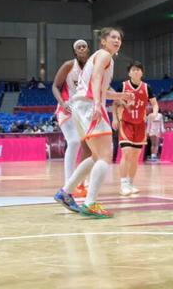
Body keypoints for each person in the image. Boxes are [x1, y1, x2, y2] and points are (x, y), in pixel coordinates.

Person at [54, 28, 134, 219]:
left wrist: (120, 95)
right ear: (103, 41)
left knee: (96, 155)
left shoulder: (98, 57)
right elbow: (97, 77)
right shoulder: (105, 55)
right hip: (89, 105)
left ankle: (66, 192)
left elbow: (100, 87)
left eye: (119, 38)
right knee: (105, 156)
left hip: (81, 106)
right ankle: (90, 203)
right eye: (113, 37)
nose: (117, 40)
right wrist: (98, 103)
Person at [112, 61, 158, 196]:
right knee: (126, 153)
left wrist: (154, 113)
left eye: (138, 69)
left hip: (140, 125)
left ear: (142, 72)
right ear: (129, 73)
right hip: (126, 123)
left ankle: (131, 183)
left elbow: (155, 104)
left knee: (135, 156)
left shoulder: (147, 87)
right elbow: (115, 103)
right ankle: (123, 185)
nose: (136, 71)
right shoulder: (123, 86)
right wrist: (115, 119)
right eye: (133, 69)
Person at [52, 39, 91, 197]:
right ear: (75, 51)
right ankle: (68, 184)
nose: (81, 48)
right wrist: (62, 103)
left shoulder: (92, 66)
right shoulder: (69, 65)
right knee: (74, 142)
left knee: (88, 148)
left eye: (84, 46)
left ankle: (80, 183)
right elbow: (55, 86)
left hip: (83, 110)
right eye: (78, 47)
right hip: (67, 108)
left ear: (87, 50)